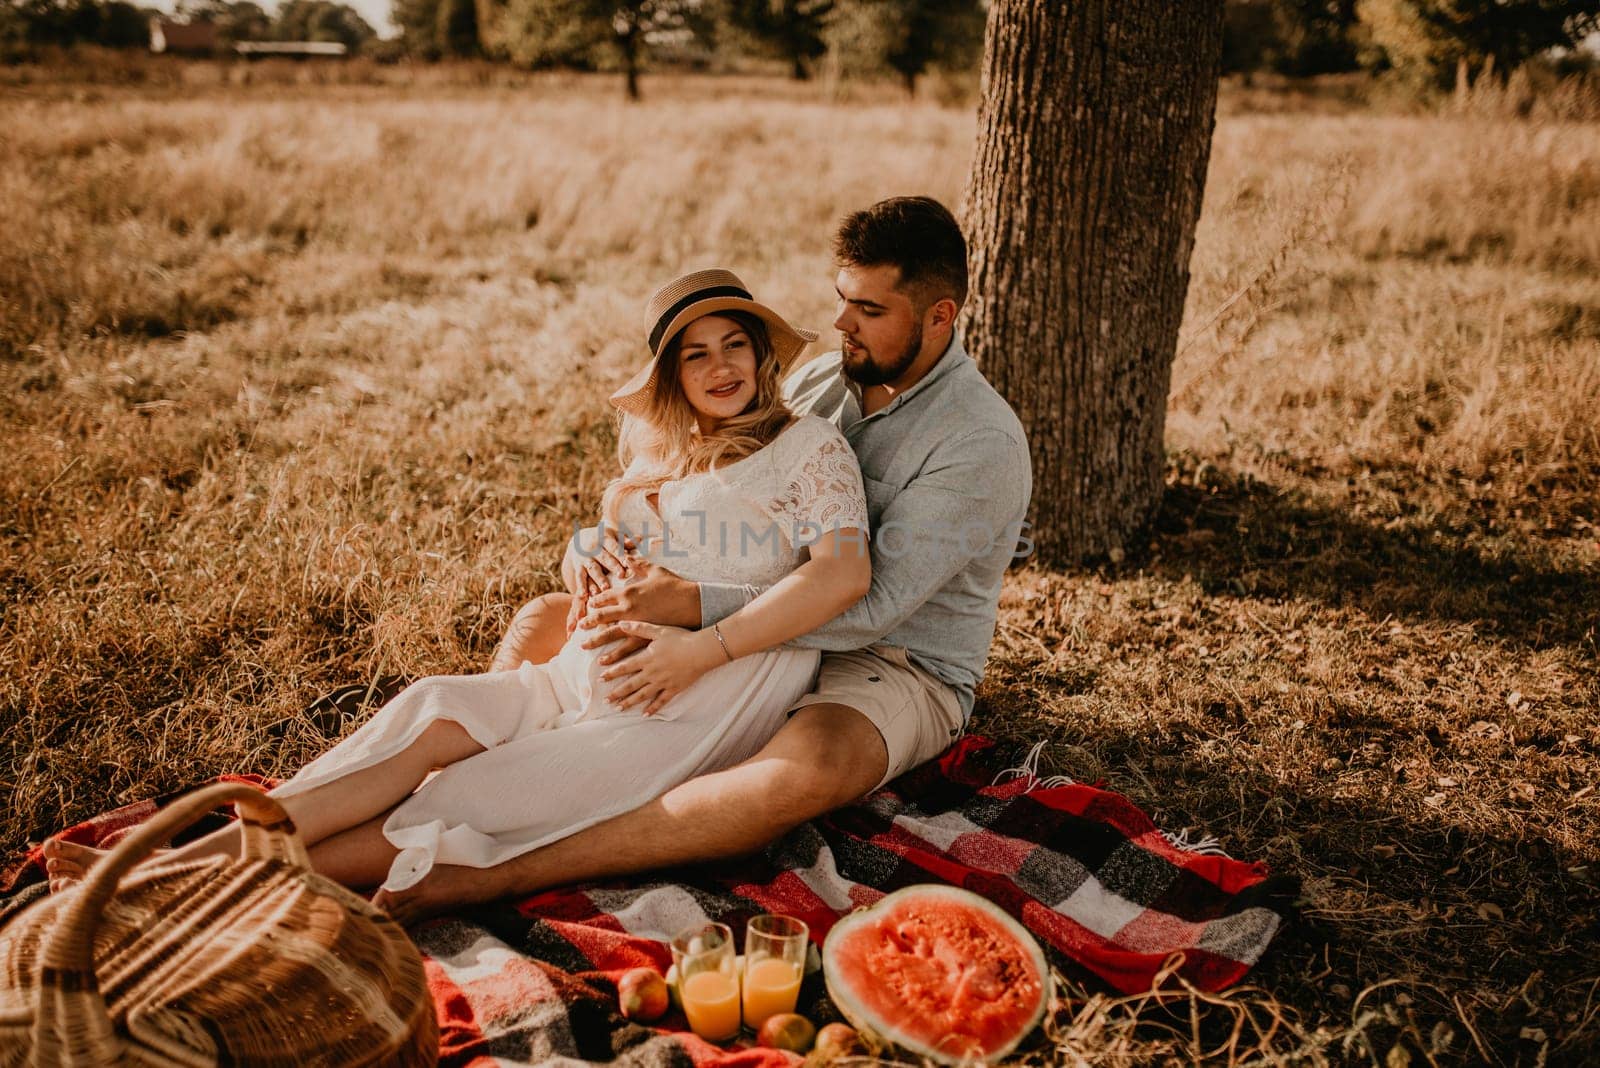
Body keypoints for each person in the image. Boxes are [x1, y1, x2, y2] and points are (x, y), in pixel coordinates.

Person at [43, 270, 871, 897]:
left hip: (687, 707)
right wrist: (582, 547)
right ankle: (160, 866)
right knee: (434, 705)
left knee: (462, 798)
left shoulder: (809, 451)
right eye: (696, 355)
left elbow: (842, 575)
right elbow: (615, 555)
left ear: (763, 355)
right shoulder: (656, 464)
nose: (719, 366)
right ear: (673, 379)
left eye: (734, 344)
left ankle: (180, 893)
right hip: (570, 677)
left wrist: (700, 646)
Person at [371, 196, 1032, 923]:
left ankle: (499, 871)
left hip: (891, 663)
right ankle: (446, 793)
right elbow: (693, 492)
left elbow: (865, 606)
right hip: (764, 624)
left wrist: (691, 609)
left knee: (799, 770)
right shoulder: (819, 384)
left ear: (941, 316)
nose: (843, 322)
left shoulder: (979, 444)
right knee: (546, 622)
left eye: (869, 310)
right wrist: (593, 546)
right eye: (843, 300)